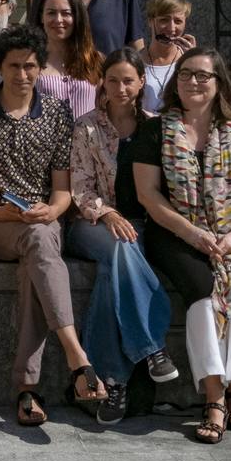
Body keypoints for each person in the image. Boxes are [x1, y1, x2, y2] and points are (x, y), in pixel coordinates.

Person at [0, 26, 106, 426]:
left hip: (41, 221)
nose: (22, 75)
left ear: (41, 68)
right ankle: (76, 356)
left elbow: (62, 190)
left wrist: (51, 211)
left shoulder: (58, 114)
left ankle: (27, 389)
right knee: (38, 245)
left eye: (30, 66)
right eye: (13, 66)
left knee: (35, 264)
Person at [132, 47, 231, 444]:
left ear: (219, 83)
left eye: (203, 76)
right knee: (203, 294)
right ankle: (214, 396)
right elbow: (149, 196)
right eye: (186, 74)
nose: (194, 82)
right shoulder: (155, 130)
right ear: (176, 81)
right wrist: (193, 234)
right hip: (176, 232)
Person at [65, 48, 176, 425]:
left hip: (141, 225)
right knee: (121, 245)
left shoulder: (155, 126)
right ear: (103, 83)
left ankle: (112, 384)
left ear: (142, 82)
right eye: (113, 80)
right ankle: (152, 348)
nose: (120, 87)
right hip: (92, 224)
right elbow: (79, 188)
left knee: (112, 277)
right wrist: (108, 213)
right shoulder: (87, 126)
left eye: (128, 80)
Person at [36, 0, 101, 119]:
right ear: (42, 18)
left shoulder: (94, 59)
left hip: (88, 139)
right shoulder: (31, 61)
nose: (58, 20)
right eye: (51, 13)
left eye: (66, 13)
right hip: (44, 139)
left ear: (76, 18)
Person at [140, 0, 196, 113]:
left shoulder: (188, 60)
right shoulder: (135, 61)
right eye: (164, 20)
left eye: (178, 21)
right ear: (150, 21)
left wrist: (194, 61)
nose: (171, 28)